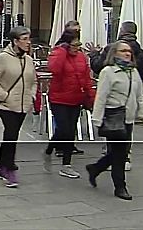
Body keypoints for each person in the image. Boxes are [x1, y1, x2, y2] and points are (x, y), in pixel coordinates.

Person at [85, 41, 143, 200]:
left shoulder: (133, 72)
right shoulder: (108, 72)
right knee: (121, 153)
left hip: (128, 118)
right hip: (113, 117)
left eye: (129, 51)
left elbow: (139, 96)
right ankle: (120, 186)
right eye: (123, 51)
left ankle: (95, 168)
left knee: (117, 152)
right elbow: (101, 97)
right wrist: (97, 119)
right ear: (115, 53)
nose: (127, 53)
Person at [0, 26, 38, 188]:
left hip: (23, 105)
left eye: (29, 39)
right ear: (15, 41)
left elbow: (34, 81)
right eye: (24, 39)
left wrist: (32, 96)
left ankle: (1, 167)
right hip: (7, 106)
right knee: (11, 135)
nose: (28, 42)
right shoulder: (2, 58)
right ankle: (10, 169)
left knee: (11, 135)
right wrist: (4, 96)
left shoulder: (28, 60)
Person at [44, 30, 94, 179]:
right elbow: (54, 69)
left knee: (70, 130)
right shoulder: (58, 54)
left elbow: (86, 78)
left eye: (79, 44)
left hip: (76, 98)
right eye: (74, 44)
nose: (77, 47)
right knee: (64, 128)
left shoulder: (81, 57)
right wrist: (62, 52)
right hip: (58, 98)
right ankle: (49, 150)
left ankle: (66, 165)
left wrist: (90, 96)